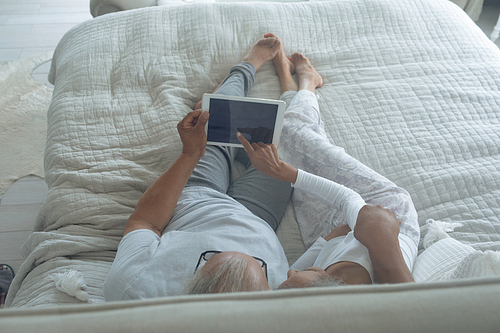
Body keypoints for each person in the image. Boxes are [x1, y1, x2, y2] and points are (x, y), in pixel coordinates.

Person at [103, 35, 294, 300]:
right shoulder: (287, 308)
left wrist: (190, 153)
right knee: (279, 152)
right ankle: (224, 128)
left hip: (198, 200)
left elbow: (143, 221)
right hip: (257, 219)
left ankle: (247, 66)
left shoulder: (134, 289)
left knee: (213, 121)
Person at [236, 34, 420, 288]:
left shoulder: (331, 292)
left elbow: (296, 270)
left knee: (290, 147)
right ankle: (308, 84)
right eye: (293, 280)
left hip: (334, 237)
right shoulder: (380, 272)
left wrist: (323, 246)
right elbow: (348, 199)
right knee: (293, 134)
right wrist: (284, 173)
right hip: (381, 213)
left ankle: (293, 87)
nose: (288, 275)